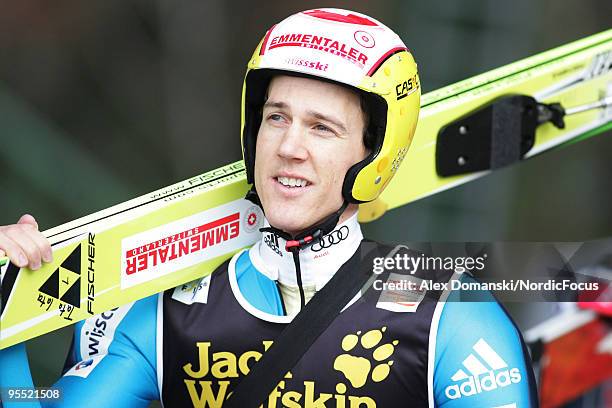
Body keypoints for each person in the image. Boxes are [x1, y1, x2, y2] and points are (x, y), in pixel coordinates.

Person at [0, 8, 538, 407]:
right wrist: (5, 322)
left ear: (373, 154)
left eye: (322, 128)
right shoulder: (164, 312)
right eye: (276, 117)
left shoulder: (449, 314)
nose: (289, 147)